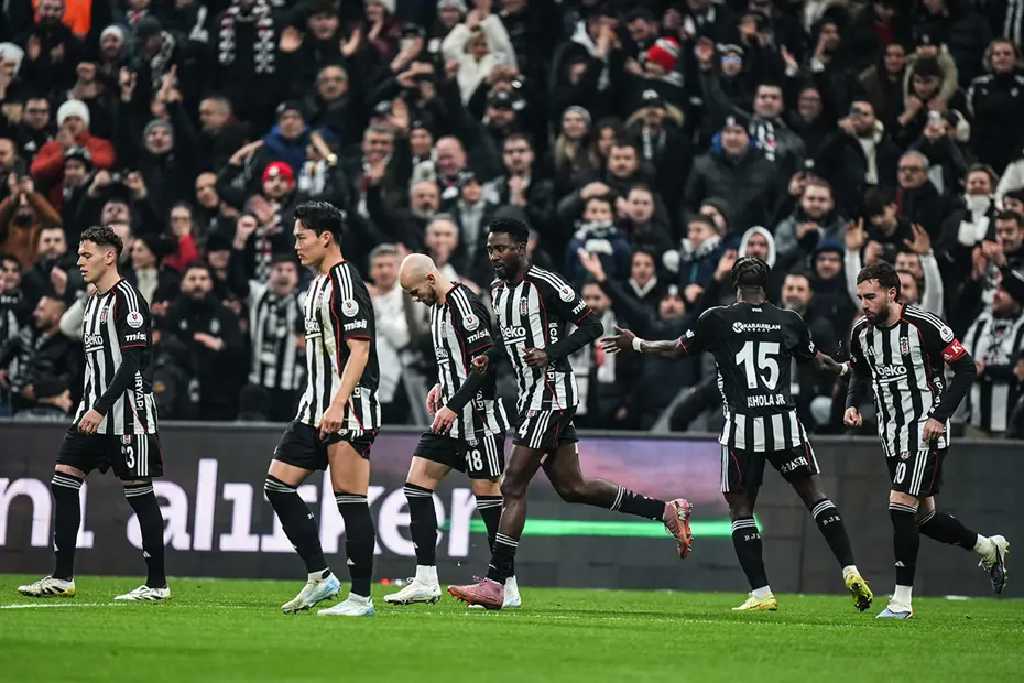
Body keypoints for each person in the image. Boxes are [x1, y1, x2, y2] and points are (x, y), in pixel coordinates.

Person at [446, 217, 693, 610]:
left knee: (512, 485)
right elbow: (506, 347)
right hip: (529, 396)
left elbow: (591, 325)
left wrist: (551, 352)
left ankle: (496, 583)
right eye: (490, 249)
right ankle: (665, 510)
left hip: (552, 394)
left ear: (522, 247)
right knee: (572, 487)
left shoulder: (547, 284)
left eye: (502, 248)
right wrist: (477, 368)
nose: (494, 256)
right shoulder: (497, 290)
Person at [602, 257, 873, 612]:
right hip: (784, 423)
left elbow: (674, 350)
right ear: (768, 284)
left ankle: (761, 593)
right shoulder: (789, 320)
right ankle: (851, 569)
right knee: (814, 496)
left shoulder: (717, 318)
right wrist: (846, 369)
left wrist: (636, 343)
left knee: (742, 507)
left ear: (734, 284)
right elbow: (818, 361)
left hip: (743, 426)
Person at [844, 261, 1010, 619]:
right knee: (923, 519)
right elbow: (859, 370)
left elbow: (966, 368)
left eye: (870, 297)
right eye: (860, 297)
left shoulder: (924, 325)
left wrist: (939, 416)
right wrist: (852, 404)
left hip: (924, 430)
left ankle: (901, 602)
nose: (864, 304)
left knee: (899, 506)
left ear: (892, 293)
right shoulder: (861, 332)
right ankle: (987, 548)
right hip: (890, 433)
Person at [17, 226, 167, 602]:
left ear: (109, 256)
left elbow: (132, 363)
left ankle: (157, 584)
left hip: (128, 415)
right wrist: (85, 401)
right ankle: (62, 577)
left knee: (140, 494)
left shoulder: (128, 299)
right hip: (91, 413)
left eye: (86, 255)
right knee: (63, 481)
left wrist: (100, 408)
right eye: (79, 255)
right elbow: (94, 362)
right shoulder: (93, 300)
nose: (80, 262)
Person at [264, 201, 380, 617]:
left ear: (325, 237)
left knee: (350, 500)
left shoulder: (346, 282)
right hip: (312, 407)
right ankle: (320, 576)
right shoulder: (315, 284)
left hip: (347, 408)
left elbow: (360, 350)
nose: (296, 245)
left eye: (301, 237)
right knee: (277, 486)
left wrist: (339, 403)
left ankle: (361, 599)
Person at [384, 253, 519, 607]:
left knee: (489, 499)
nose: (416, 299)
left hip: (479, 419)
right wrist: (441, 386)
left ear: (431, 278)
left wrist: (454, 404)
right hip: (451, 417)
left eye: (416, 291)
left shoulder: (464, 305)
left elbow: (486, 365)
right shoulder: (438, 308)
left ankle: (506, 585)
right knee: (416, 484)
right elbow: (457, 362)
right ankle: (426, 580)